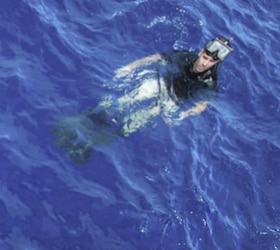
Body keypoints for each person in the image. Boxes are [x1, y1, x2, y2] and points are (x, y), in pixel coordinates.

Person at [54, 36, 233, 164]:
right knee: (125, 101)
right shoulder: (186, 57)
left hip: (173, 100)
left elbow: (204, 104)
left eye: (210, 61)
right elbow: (157, 58)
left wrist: (187, 114)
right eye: (204, 57)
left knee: (137, 121)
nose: (204, 63)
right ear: (201, 52)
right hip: (161, 84)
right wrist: (130, 67)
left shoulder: (210, 82)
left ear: (215, 64)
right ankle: (85, 118)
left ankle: (93, 142)